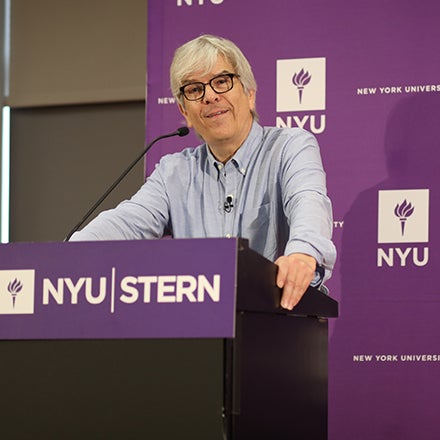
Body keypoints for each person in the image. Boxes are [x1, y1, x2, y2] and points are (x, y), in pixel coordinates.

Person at [70, 34, 336, 310]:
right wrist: (67, 254)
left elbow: (308, 202)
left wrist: (302, 253)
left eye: (221, 81)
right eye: (195, 89)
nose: (210, 96)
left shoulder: (289, 147)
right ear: (185, 111)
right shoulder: (174, 171)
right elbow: (127, 222)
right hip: (198, 329)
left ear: (250, 94)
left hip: (277, 325)